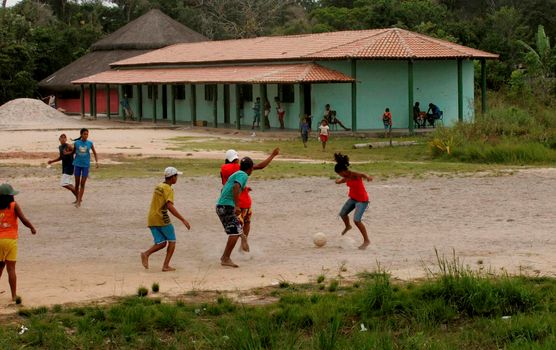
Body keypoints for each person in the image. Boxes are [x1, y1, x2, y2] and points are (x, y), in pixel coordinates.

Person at [220, 148, 279, 253]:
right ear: (237, 159)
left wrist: (245, 188)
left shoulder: (223, 169)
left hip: (233, 202)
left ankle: (241, 245)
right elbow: (260, 166)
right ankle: (240, 247)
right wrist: (272, 155)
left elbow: (227, 185)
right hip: (242, 203)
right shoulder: (240, 168)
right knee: (242, 225)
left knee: (239, 226)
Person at [141, 167, 191, 272]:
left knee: (162, 243)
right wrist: (183, 220)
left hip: (151, 217)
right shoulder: (168, 189)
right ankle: (166, 266)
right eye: (176, 176)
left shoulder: (158, 186)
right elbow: (170, 206)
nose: (177, 178)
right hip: (161, 218)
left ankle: (146, 254)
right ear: (172, 177)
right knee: (172, 241)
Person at [0, 183, 37, 302]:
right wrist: (32, 228)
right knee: (11, 269)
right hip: (11, 240)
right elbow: (23, 219)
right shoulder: (14, 205)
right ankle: (14, 296)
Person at [216, 157, 254, 267]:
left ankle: (242, 240)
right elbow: (236, 187)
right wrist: (237, 205)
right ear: (250, 169)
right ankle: (225, 258)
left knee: (237, 229)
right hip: (226, 206)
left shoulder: (237, 173)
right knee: (235, 232)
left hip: (222, 205)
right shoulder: (243, 175)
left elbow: (224, 189)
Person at [333, 153, 372, 250]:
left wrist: (367, 177)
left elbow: (362, 174)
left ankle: (366, 240)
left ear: (343, 171)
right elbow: (342, 181)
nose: (340, 175)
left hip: (362, 200)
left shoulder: (353, 174)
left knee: (357, 220)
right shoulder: (346, 177)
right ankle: (348, 226)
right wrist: (337, 182)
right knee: (342, 214)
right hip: (353, 198)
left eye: (339, 173)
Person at [72, 128, 98, 208]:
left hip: (86, 166)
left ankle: (79, 201)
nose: (86, 135)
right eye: (84, 134)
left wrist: (97, 162)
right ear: (81, 134)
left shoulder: (90, 143)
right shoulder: (76, 143)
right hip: (77, 165)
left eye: (87, 134)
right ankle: (77, 199)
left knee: (82, 184)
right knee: (76, 184)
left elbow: (95, 153)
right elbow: (73, 152)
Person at [47, 134, 77, 200]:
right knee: (70, 184)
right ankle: (78, 198)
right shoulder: (60, 147)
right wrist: (52, 161)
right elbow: (61, 157)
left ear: (66, 139)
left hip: (70, 166)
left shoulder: (68, 146)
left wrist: (68, 153)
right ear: (59, 139)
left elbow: (75, 151)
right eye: (61, 138)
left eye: (64, 138)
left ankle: (78, 194)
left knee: (63, 184)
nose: (63, 139)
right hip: (64, 166)